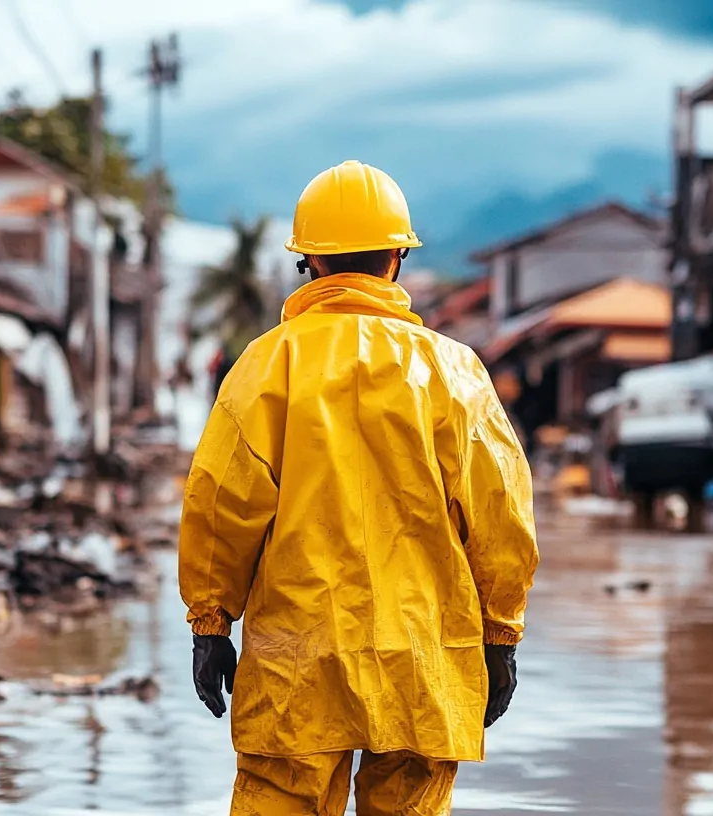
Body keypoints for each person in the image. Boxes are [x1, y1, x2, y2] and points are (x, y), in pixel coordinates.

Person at [178, 160, 539, 815]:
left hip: (296, 663)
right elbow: (502, 516)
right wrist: (501, 639)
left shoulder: (264, 366)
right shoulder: (454, 373)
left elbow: (220, 509)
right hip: (423, 661)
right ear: (397, 258)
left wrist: (210, 627)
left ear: (308, 261)